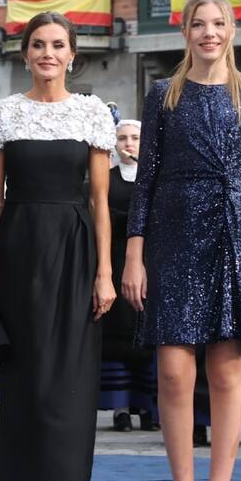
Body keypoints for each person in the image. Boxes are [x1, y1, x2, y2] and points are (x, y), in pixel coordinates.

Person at [122, 0, 241, 481]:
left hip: (234, 234)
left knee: (226, 373)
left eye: (218, 23)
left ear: (231, 30)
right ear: (183, 31)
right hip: (173, 234)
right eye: (198, 24)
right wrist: (134, 254)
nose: (208, 33)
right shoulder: (163, 95)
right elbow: (145, 180)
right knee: (172, 374)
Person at [0, 13, 115, 481]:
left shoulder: (93, 114)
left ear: (72, 54)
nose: (48, 53)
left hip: (76, 253)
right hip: (18, 252)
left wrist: (105, 272)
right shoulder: (2, 114)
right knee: (25, 383)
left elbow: (100, 201)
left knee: (68, 384)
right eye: (38, 44)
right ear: (25, 53)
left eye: (58, 44)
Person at [100, 114, 158, 432]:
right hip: (116, 260)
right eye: (123, 139)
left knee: (148, 335)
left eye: (134, 139)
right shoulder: (105, 178)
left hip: (150, 263)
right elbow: (100, 213)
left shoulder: (155, 178)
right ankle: (120, 407)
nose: (128, 144)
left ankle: (147, 407)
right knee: (119, 335)